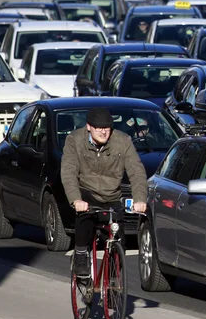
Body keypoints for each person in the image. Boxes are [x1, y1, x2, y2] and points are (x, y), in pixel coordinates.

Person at [61, 108, 147, 278]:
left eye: (106, 128)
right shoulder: (74, 140)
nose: (103, 131)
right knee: (84, 218)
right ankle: (80, 254)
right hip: (87, 192)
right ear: (88, 127)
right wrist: (76, 199)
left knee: (118, 238)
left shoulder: (123, 141)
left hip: (111, 195)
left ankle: (112, 283)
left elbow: (136, 172)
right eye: (98, 128)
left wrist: (140, 199)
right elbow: (68, 172)